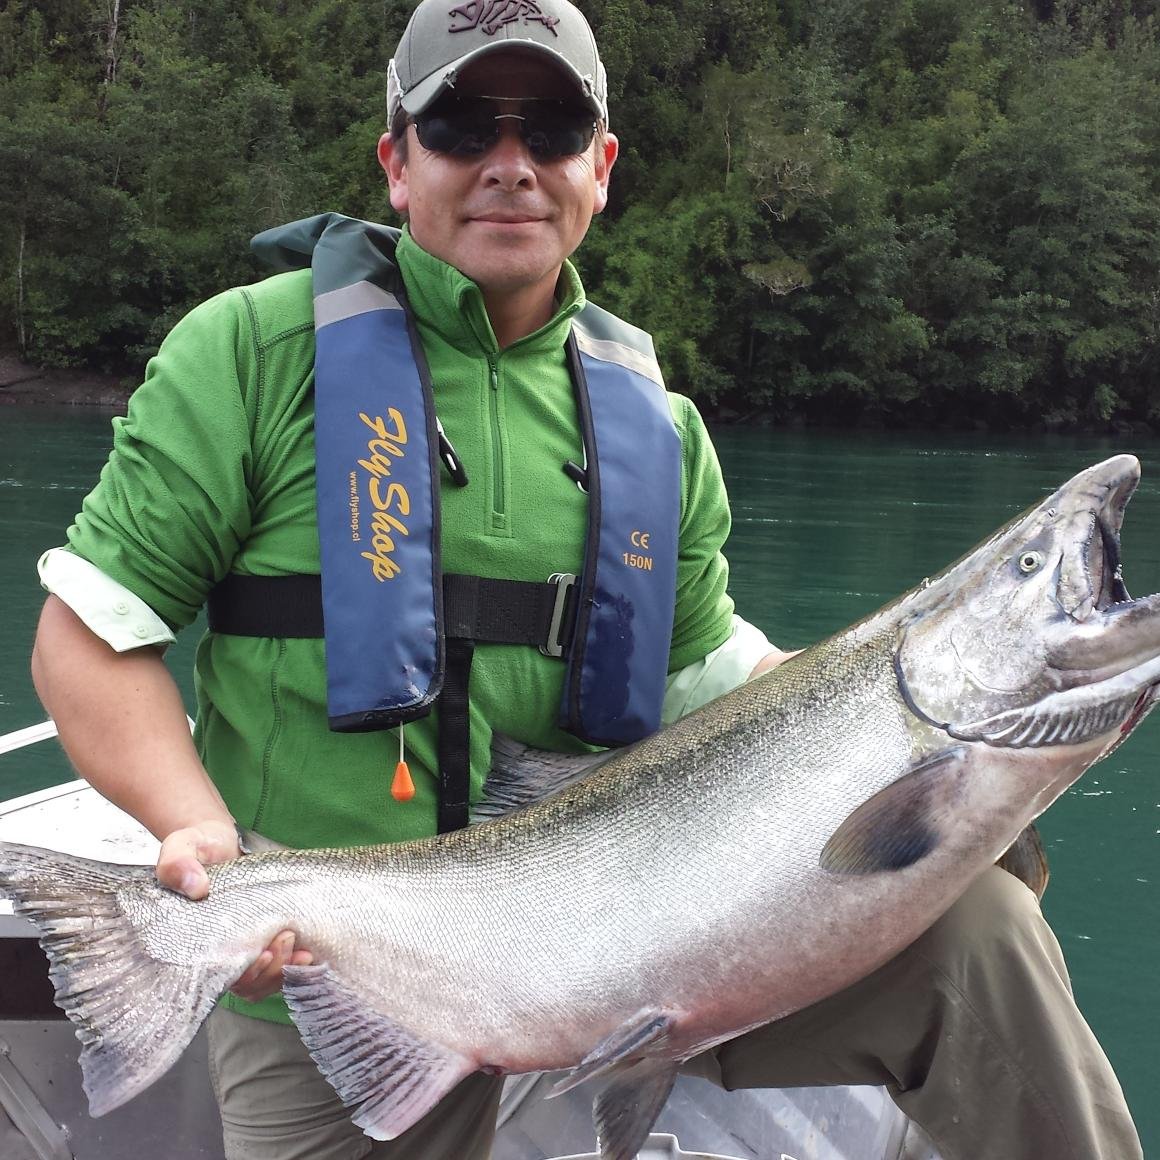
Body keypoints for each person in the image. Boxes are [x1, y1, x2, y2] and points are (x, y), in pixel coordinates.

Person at [28, 1, 1140, 1158]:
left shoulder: (660, 429)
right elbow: (87, 637)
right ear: (397, 165)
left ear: (597, 168)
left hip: (650, 945)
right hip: (336, 973)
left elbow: (719, 679)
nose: (509, 164)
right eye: (462, 125)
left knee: (982, 938)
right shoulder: (247, 355)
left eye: (551, 128)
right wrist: (199, 835)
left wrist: (979, 755)